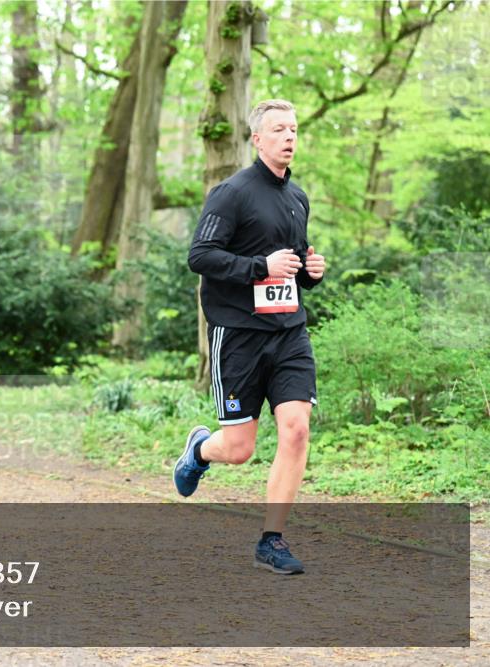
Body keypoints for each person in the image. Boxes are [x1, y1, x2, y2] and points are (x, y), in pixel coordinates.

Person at [176, 99, 327, 575]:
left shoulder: (297, 197)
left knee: (297, 429)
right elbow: (200, 255)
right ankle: (201, 448)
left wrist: (311, 274)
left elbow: (292, 265)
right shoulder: (231, 193)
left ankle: (272, 540)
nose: (290, 137)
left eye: (295, 130)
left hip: (288, 332)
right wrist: (260, 267)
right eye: (280, 129)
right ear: (257, 138)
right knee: (239, 450)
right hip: (239, 335)